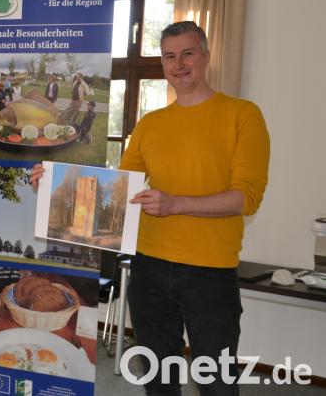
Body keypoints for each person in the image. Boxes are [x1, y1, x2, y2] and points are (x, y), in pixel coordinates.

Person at [31, 21, 270, 395]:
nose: (179, 64)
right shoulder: (151, 124)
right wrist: (54, 183)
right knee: (157, 381)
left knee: (217, 383)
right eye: (170, 57)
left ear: (206, 57)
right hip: (149, 268)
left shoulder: (243, 114)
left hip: (210, 273)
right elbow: (120, 191)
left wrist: (176, 203)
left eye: (188, 54)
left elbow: (246, 197)